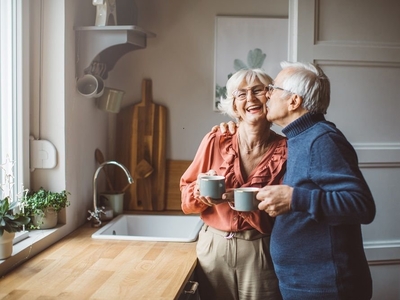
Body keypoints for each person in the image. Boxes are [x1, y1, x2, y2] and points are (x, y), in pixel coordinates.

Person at [218, 61, 376, 300]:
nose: (267, 95)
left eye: (273, 89)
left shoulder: (322, 139)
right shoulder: (299, 137)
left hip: (326, 287)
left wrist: (294, 198)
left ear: (294, 101)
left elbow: (361, 206)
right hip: (306, 283)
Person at [180, 69, 287, 300]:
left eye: (258, 90)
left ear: (270, 97)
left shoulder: (287, 150)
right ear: (234, 106)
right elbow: (186, 197)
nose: (250, 99)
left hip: (261, 248)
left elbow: (290, 209)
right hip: (214, 248)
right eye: (241, 94)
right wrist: (199, 194)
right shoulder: (216, 139)